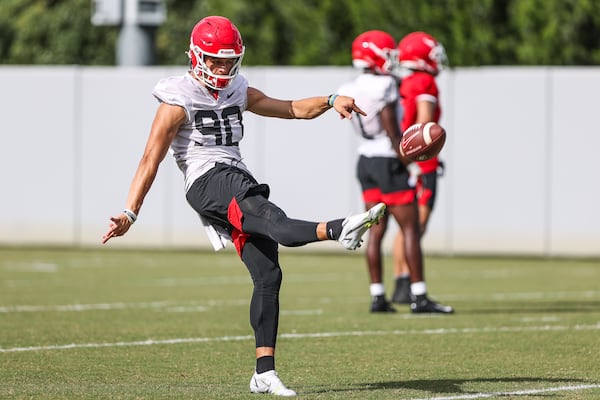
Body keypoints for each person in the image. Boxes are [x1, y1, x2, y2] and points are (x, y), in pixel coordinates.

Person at [101, 16, 386, 397]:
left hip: (237, 177)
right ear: (196, 57)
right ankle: (339, 228)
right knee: (276, 222)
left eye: (228, 60)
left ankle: (263, 372)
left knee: (268, 274)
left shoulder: (237, 89)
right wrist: (130, 211)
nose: (223, 68)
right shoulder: (177, 98)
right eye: (215, 61)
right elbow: (150, 158)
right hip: (208, 180)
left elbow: (291, 109)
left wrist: (331, 99)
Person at [337, 30, 450, 314]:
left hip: (364, 159)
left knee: (375, 229)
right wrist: (405, 157)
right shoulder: (385, 85)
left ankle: (377, 296)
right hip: (388, 159)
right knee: (410, 228)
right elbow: (391, 127)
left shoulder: (348, 86)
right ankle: (419, 296)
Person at [390, 31, 452, 314]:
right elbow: (425, 126)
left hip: (404, 161)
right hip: (422, 164)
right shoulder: (425, 81)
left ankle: (402, 282)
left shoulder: (404, 81)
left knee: (406, 227)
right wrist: (423, 156)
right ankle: (408, 286)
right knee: (416, 227)